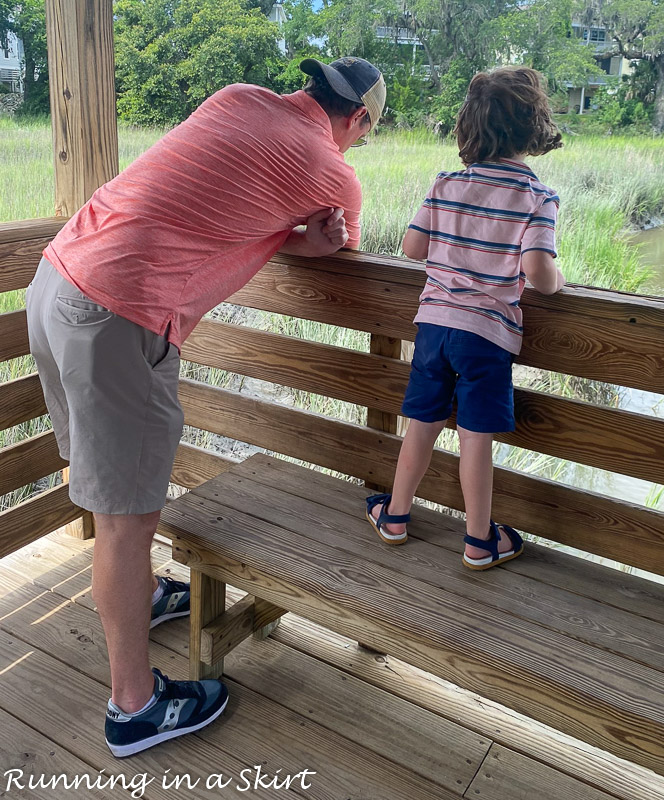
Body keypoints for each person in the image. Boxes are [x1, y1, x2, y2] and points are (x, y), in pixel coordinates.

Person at [26, 56, 386, 757]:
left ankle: (144, 595)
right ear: (360, 119)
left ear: (308, 86)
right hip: (119, 312)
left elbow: (214, 198)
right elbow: (344, 250)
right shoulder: (331, 168)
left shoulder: (236, 96)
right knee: (127, 517)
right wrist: (314, 242)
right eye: (364, 133)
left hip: (58, 278)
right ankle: (134, 707)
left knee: (102, 485)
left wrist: (291, 239)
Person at [366, 67, 564, 569]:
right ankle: (479, 541)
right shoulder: (536, 197)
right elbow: (539, 273)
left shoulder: (447, 182)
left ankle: (395, 516)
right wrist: (560, 283)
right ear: (532, 127)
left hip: (434, 328)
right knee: (475, 439)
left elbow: (412, 248)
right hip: (487, 336)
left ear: (468, 126)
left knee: (421, 424)